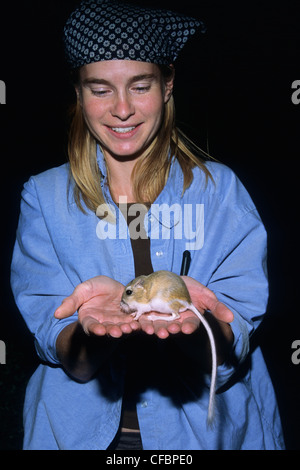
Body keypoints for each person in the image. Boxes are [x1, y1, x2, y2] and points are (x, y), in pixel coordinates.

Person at [10, 0, 284, 450]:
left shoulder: (220, 193)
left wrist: (203, 327)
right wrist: (88, 330)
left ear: (168, 83)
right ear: (78, 94)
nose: (122, 110)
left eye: (140, 86)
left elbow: (232, 352)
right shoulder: (43, 198)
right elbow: (68, 357)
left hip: (201, 437)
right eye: (100, 89)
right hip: (78, 437)